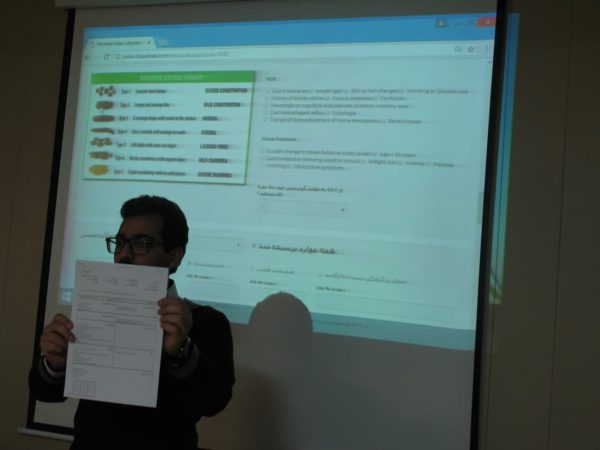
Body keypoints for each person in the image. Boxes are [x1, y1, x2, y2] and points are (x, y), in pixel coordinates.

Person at [29, 195, 235, 450]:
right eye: (120, 242)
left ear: (174, 257)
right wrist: (54, 364)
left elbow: (214, 402)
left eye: (142, 243)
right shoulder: (94, 310)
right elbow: (43, 392)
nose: (124, 254)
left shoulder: (205, 322)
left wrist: (182, 349)